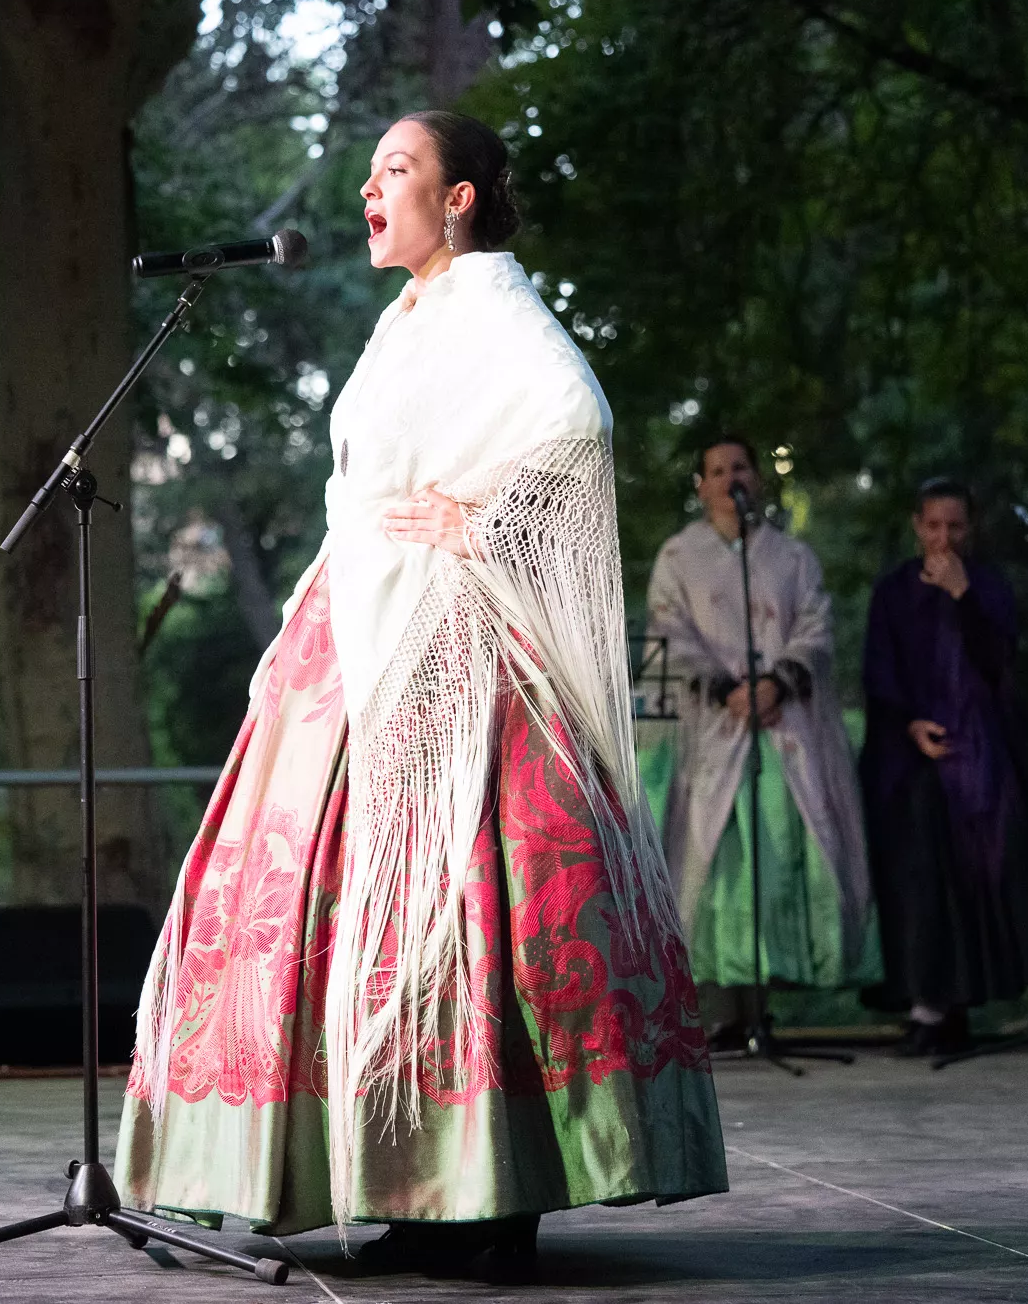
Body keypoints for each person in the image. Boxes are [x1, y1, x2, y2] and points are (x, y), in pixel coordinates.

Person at [117, 110, 725, 1280]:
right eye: (369, 169)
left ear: (458, 199)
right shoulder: (406, 318)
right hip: (357, 625)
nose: (367, 187)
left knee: (476, 898)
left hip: (456, 645)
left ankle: (491, 1196)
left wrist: (485, 526)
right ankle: (401, 1179)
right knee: (317, 903)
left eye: (396, 168)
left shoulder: (498, 309)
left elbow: (574, 426)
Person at [859, 478, 1028, 1055]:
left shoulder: (990, 586)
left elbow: (1002, 663)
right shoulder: (894, 592)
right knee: (923, 880)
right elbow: (880, 670)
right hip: (917, 762)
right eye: (933, 526)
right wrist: (909, 724)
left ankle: (964, 1005)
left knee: (991, 875)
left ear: (969, 529)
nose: (943, 538)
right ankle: (930, 1007)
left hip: (988, 760)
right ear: (916, 525)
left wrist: (962, 597)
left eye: (954, 527)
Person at [642, 437, 881, 1044]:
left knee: (780, 856)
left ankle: (764, 1010)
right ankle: (723, 1009)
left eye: (739, 468)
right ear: (700, 486)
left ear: (758, 479)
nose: (730, 479)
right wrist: (728, 688)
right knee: (717, 865)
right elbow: (669, 626)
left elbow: (816, 625)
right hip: (714, 730)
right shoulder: (678, 556)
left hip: (784, 731)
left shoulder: (792, 557)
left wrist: (777, 683)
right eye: (717, 471)